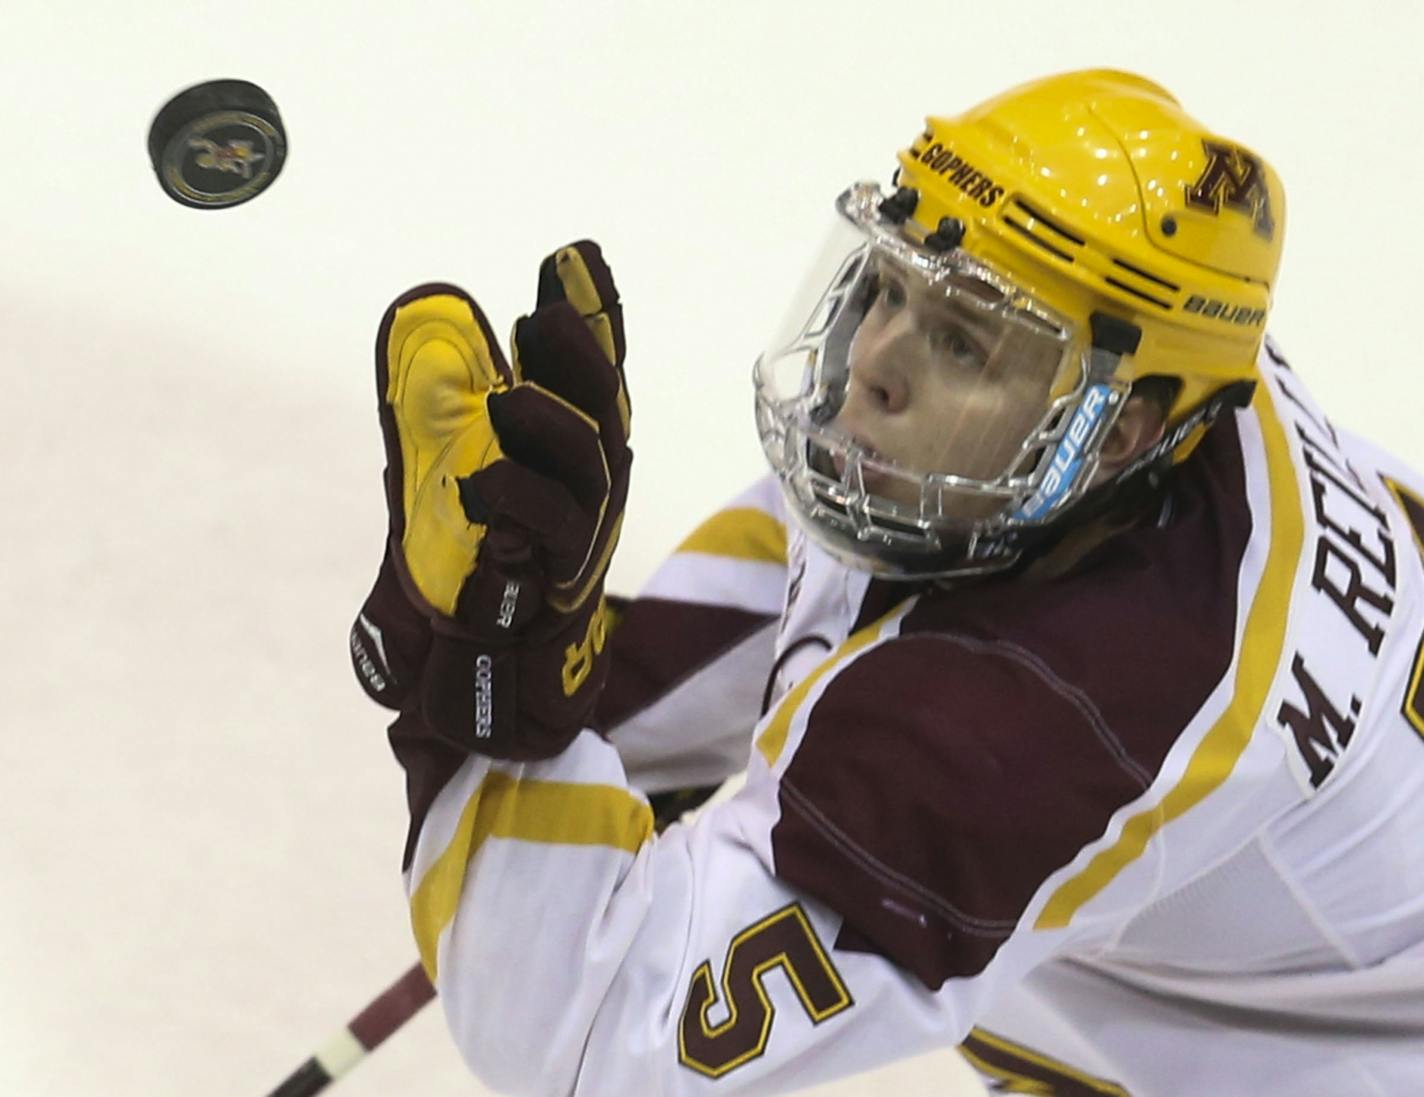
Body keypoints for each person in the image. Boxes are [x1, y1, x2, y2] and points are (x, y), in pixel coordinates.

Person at [346, 70, 1424, 1095]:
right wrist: (572, 679)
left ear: (1118, 433)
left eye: (961, 341)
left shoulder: (1041, 726)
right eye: (889, 286)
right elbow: (823, 576)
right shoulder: (1127, 407)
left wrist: (490, 695)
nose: (872, 364)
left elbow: (588, 1043)